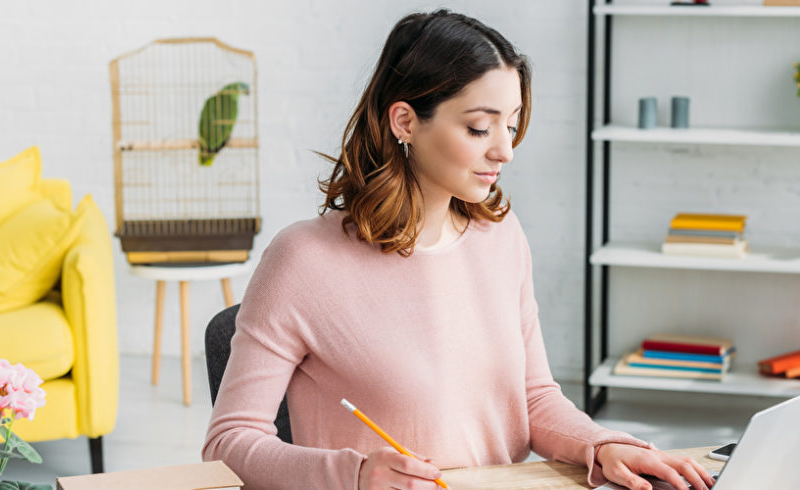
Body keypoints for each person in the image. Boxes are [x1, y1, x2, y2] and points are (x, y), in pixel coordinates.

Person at [202, 9, 716, 490]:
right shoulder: (303, 259)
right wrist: (355, 475)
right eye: (478, 127)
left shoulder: (501, 236)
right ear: (405, 122)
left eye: (511, 125)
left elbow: (532, 398)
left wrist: (602, 446)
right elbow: (229, 442)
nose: (505, 149)